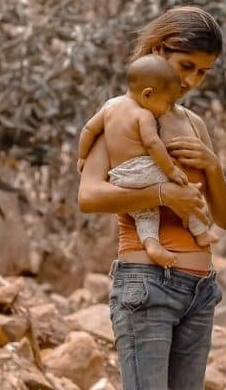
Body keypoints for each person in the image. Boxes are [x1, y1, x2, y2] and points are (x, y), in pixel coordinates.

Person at [77, 6, 226, 390]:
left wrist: (212, 170)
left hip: (200, 289)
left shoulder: (191, 123)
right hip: (144, 282)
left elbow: (223, 216)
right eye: (185, 65)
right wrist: (163, 189)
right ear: (160, 50)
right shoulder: (122, 114)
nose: (192, 81)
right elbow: (90, 194)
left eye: (203, 73)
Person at [77, 54, 216, 268]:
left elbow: (88, 129)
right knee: (183, 191)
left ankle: (152, 244)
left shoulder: (109, 108)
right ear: (148, 94)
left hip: (121, 178)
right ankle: (200, 230)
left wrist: (82, 155)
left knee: (145, 214)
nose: (167, 108)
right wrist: (170, 171)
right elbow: (153, 144)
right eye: (167, 102)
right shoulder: (143, 115)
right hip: (144, 169)